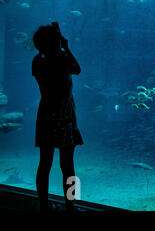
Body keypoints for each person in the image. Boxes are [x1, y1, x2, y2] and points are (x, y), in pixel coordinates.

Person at [32, 22, 83, 212]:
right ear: (56, 42)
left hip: (45, 116)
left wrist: (58, 45)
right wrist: (66, 47)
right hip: (64, 118)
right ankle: (71, 206)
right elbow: (77, 69)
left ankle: (43, 206)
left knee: (44, 163)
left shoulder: (37, 61)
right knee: (68, 165)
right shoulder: (62, 59)